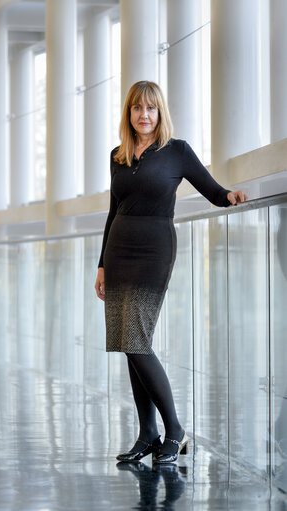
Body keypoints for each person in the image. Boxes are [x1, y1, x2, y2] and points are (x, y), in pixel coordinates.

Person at [94, 80, 249, 464]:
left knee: (135, 338)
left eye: (150, 108)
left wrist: (230, 197)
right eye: (137, 109)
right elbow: (113, 212)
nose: (143, 115)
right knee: (128, 345)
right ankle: (148, 434)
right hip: (117, 253)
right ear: (128, 114)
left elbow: (212, 190)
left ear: (160, 113)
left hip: (154, 252)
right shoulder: (118, 155)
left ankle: (175, 430)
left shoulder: (176, 151)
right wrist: (100, 264)